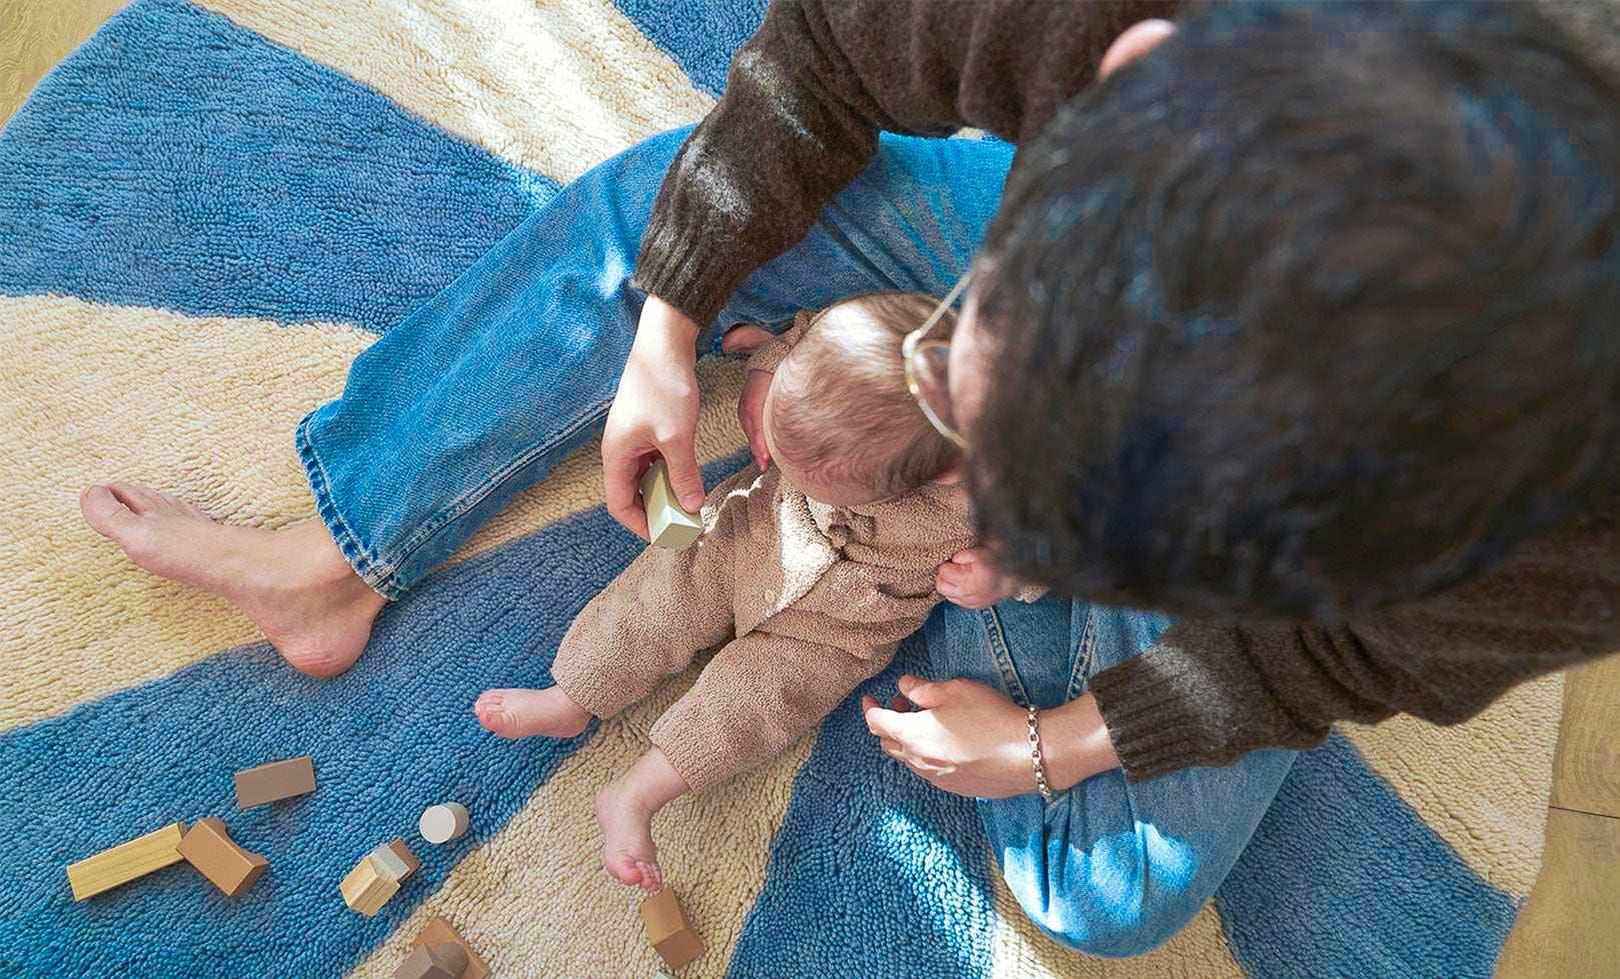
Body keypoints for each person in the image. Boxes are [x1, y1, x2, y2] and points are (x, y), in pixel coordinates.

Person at [75, 0, 1620, 956]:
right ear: (1141, 82)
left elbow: (1329, 655)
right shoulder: (1113, 23)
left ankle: (964, 589)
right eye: (965, 385)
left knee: (1102, 898)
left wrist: (1046, 738)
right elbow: (816, 59)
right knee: (657, 212)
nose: (963, 481)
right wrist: (674, 322)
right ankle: (338, 558)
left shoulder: (1560, 532)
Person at [477, 293, 986, 894]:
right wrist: (770, 372)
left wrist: (1001, 574)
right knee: (663, 589)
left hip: (842, 625)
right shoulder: (888, 333)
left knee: (754, 702)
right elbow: (808, 329)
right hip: (758, 527)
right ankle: (574, 694)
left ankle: (637, 794)